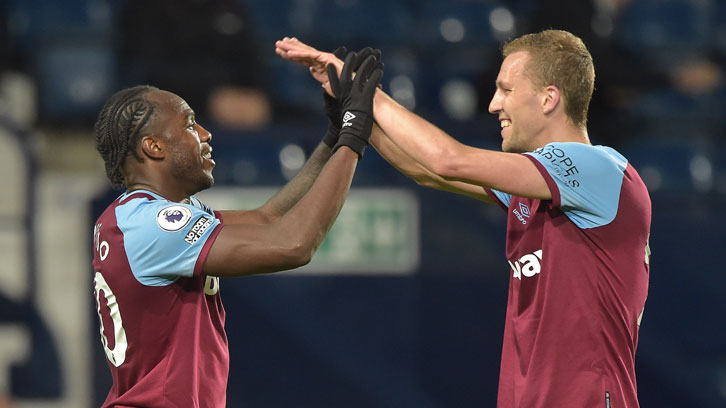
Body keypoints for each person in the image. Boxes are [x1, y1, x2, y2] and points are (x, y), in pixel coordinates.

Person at [276, 30, 651, 407]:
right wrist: (357, 115)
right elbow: (430, 173)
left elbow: (448, 159)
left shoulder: (597, 168)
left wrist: (369, 95)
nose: (492, 104)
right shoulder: (539, 183)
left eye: (506, 90)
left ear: (548, 98)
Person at [91, 49, 382, 407]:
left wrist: (334, 136)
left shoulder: (135, 218)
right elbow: (294, 244)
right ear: (153, 146)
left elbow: (268, 218)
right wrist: (355, 137)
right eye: (188, 123)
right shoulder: (152, 226)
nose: (205, 132)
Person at [118, 0, 272, 129]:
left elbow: (252, 63)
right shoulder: (147, 9)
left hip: (234, 114)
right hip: (174, 116)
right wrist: (210, 99)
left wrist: (258, 97)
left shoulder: (230, 7)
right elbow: (151, 73)